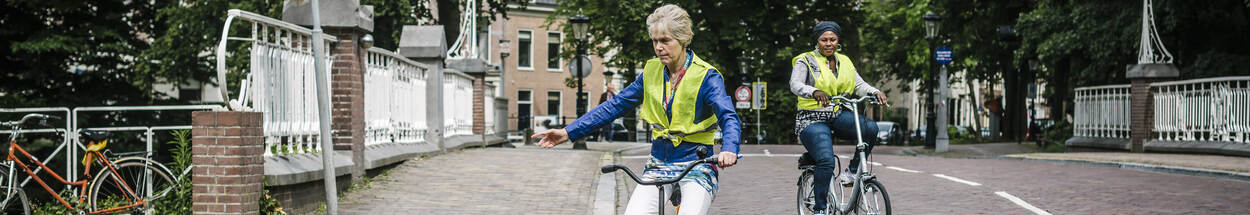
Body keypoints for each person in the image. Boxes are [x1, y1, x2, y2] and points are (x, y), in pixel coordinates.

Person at [532, 4, 740, 215]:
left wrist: (729, 148)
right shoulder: (651, 71)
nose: (658, 47)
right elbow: (614, 106)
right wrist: (567, 132)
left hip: (696, 164)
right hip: (658, 163)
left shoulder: (707, 76)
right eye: (655, 41)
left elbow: (728, 116)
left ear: (684, 39)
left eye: (665, 41)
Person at [788, 20, 889, 215]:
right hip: (812, 119)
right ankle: (820, 209)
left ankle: (852, 171)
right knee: (826, 160)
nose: (828, 43)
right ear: (817, 42)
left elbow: (859, 84)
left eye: (832, 39)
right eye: (824, 40)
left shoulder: (845, 61)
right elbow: (795, 84)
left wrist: (876, 92)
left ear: (837, 40)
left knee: (870, 128)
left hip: (837, 114)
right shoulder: (805, 61)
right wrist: (814, 91)